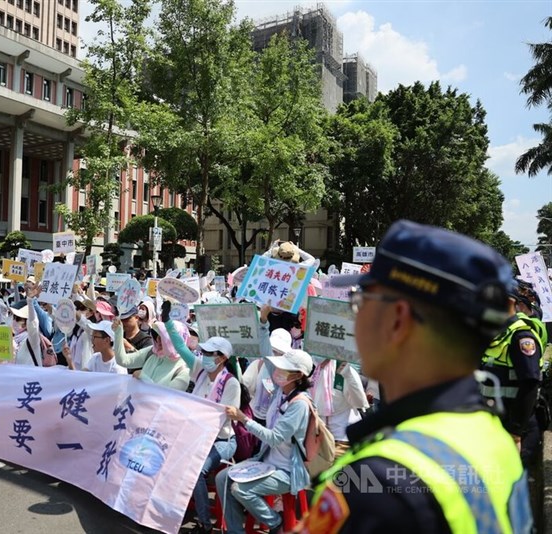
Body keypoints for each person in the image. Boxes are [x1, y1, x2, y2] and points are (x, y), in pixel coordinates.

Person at [296, 219, 531, 533]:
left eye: (361, 301)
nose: (355, 317)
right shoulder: (492, 434)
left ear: (397, 320)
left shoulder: (375, 486)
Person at [218, 350, 313, 534]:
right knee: (222, 478)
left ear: (299, 375)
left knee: (240, 489)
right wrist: (262, 323)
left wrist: (244, 419)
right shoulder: (280, 392)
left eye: (284, 368)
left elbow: (274, 437)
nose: (278, 370)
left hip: (286, 471)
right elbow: (266, 352)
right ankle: (234, 531)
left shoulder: (299, 404)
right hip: (265, 462)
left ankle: (275, 523)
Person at [162, 319, 241, 534]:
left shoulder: (231, 383)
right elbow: (180, 347)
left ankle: (205, 524)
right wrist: (168, 322)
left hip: (222, 440)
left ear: (223, 358)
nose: (205, 356)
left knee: (195, 470)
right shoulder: (200, 370)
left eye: (210, 353)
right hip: (195, 435)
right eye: (204, 352)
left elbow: (224, 417)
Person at [480, 279, 544, 468]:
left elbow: (530, 383)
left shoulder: (521, 337)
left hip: (511, 426)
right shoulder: (497, 333)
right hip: (492, 423)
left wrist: (515, 430)